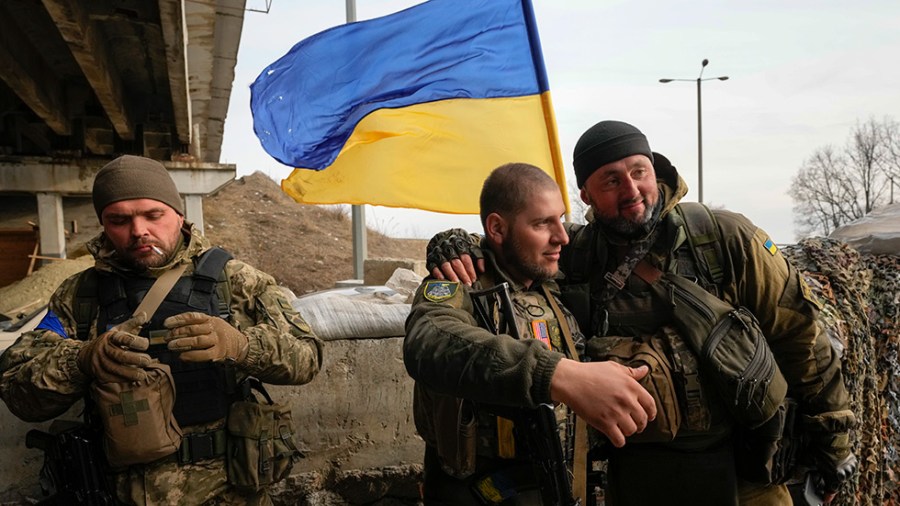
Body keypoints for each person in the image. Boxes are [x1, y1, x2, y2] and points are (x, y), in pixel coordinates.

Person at [427, 121, 857, 505]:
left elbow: (802, 337)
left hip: (744, 472)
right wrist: (453, 244)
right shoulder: (581, 255)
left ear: (655, 170)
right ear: (587, 195)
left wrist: (834, 444)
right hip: (636, 475)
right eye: (611, 180)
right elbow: (514, 242)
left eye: (638, 171)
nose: (631, 190)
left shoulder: (723, 239)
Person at [0, 155, 323, 505]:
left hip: (226, 493)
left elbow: (307, 356)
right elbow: (18, 391)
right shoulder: (79, 295)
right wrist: (80, 360)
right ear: (103, 225)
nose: (138, 230)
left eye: (153, 215)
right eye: (119, 220)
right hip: (116, 493)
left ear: (179, 215)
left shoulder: (235, 281)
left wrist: (242, 345)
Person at [404, 162, 657, 505]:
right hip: (481, 492)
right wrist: (555, 374)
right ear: (497, 228)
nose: (562, 237)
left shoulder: (555, 278)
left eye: (561, 219)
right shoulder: (459, 284)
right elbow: (429, 340)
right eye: (542, 223)